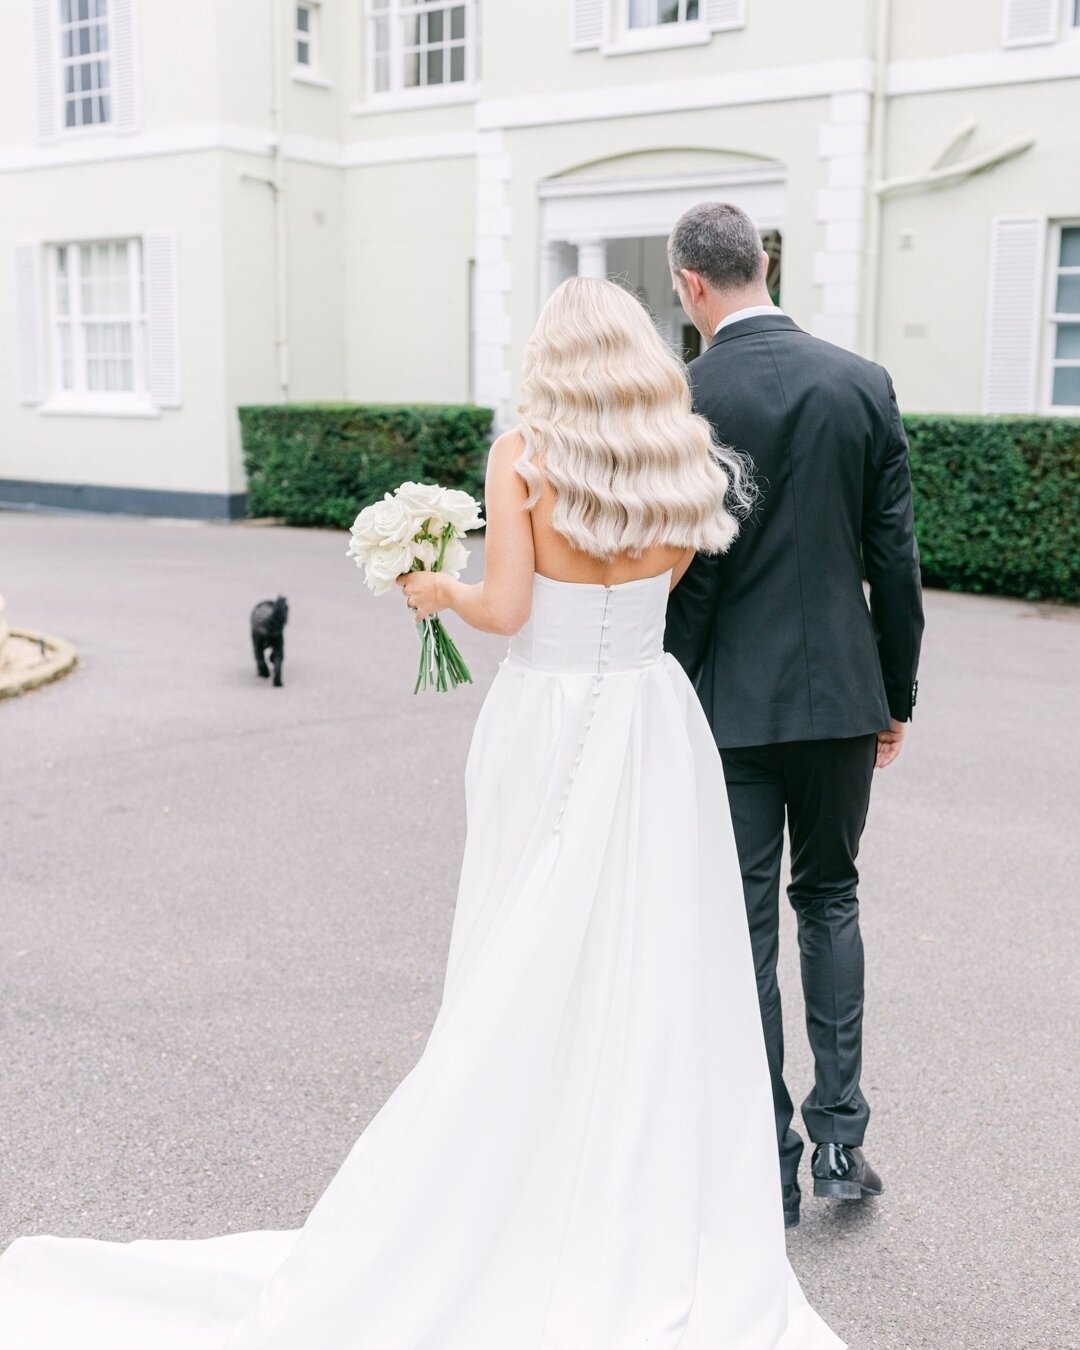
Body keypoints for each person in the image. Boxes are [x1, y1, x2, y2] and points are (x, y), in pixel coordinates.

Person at [0, 278, 843, 1348]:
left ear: (552, 359)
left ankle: (513, 1174)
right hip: (651, 719)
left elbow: (511, 610)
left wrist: (435, 590)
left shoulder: (528, 456)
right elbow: (664, 597)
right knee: (645, 957)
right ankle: (632, 1194)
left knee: (523, 942)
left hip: (549, 715)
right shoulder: (686, 458)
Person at [664, 202, 925, 1231]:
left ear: (690, 285)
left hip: (728, 707)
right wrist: (892, 696)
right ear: (764, 263)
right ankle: (841, 1141)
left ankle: (766, 1159)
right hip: (840, 703)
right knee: (832, 900)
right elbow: (892, 564)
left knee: (744, 930)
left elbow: (687, 576)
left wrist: (668, 693)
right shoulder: (862, 383)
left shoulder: (686, 396)